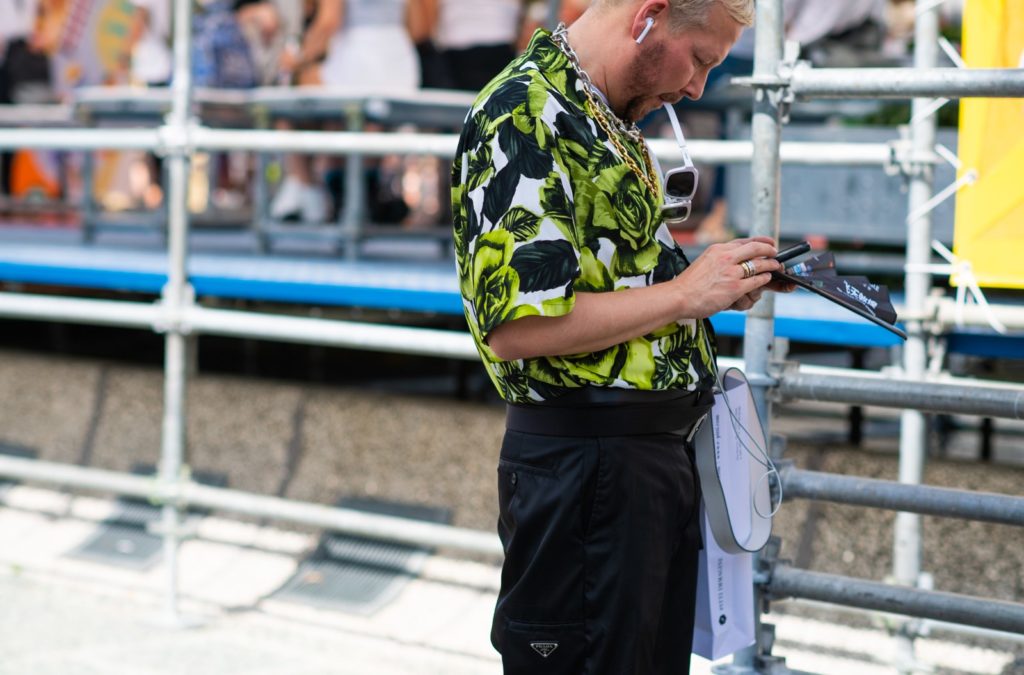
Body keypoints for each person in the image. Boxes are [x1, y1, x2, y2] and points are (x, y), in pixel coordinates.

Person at [451, 0, 794, 672]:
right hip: (588, 466)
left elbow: (619, 290)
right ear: (649, 16)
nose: (697, 87)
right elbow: (517, 325)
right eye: (699, 60)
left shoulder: (600, 111)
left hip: (635, 465)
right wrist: (687, 294)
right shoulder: (523, 110)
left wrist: (709, 287)